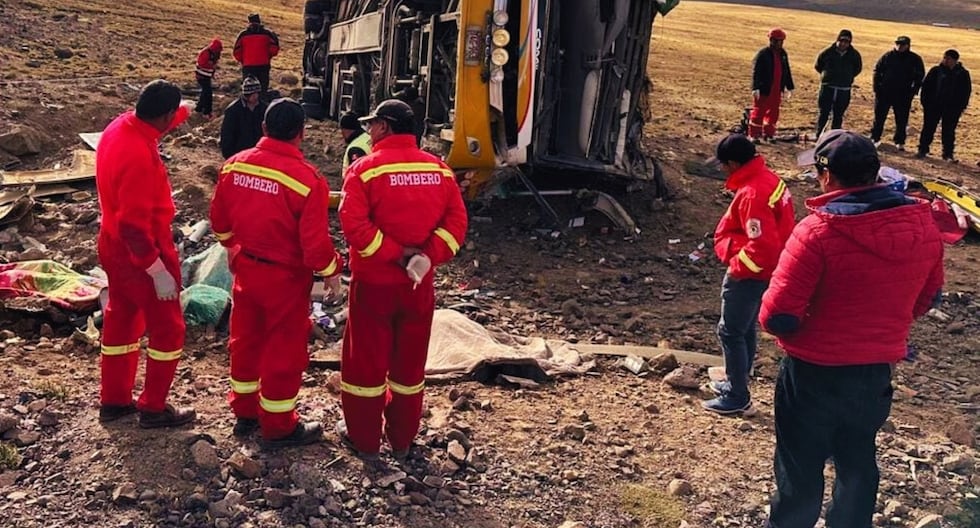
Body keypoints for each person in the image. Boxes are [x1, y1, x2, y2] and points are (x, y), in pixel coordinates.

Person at [762, 129, 944, 528]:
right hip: (874, 372)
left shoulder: (817, 231)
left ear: (827, 177)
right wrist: (882, 328)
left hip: (813, 371)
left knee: (799, 467)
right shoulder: (923, 225)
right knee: (858, 458)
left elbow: (777, 315)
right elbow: (928, 299)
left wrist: (802, 336)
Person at [336, 99, 468, 460]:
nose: (370, 131)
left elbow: (355, 227)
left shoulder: (364, 170)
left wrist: (396, 253)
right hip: (418, 286)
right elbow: (456, 225)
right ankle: (402, 440)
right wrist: (426, 256)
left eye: (373, 125)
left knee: (365, 365)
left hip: (374, 286)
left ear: (385, 127)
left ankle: (364, 440)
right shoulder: (440, 171)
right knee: (409, 367)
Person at [210, 98, 344, 448]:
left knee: (245, 341)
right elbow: (314, 245)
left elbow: (220, 223)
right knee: (283, 350)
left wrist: (232, 248)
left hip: (247, 269)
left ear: (264, 128)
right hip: (285, 278)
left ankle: (245, 412)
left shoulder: (234, 166)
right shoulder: (307, 181)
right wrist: (333, 273)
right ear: (301, 133)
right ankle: (279, 426)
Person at [95, 80, 196, 428]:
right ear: (164, 115)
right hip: (141, 251)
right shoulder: (138, 156)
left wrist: (185, 112)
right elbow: (134, 227)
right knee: (168, 328)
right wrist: (157, 270)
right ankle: (153, 407)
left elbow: (154, 124)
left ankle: (114, 400)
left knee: (121, 319)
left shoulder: (118, 128)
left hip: (111, 245)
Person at [704, 133, 795, 415]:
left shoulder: (752, 194)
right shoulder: (769, 180)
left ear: (733, 163)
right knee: (744, 330)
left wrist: (737, 268)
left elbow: (761, 247)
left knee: (730, 332)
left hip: (750, 276)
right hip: (769, 272)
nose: (721, 170)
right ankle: (738, 379)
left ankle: (737, 396)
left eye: (722, 164)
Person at [869, 36, 924, 151]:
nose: (900, 46)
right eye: (898, 44)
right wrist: (877, 88)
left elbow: (919, 76)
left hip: (903, 95)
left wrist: (913, 92)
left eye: (903, 44)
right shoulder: (888, 56)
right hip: (885, 93)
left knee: (901, 119)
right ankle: (875, 138)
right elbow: (877, 70)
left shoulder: (914, 59)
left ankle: (899, 142)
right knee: (879, 117)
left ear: (908, 45)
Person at [916, 49, 972, 163]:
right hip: (934, 106)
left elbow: (966, 92)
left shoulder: (962, 74)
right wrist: (926, 103)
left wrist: (960, 107)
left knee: (949, 131)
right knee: (928, 128)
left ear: (955, 60)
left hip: (952, 109)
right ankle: (922, 149)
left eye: (948, 58)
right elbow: (926, 87)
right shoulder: (936, 71)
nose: (945, 60)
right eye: (944, 57)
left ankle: (947, 154)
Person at [749, 28, 794, 143]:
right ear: (771, 40)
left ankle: (769, 133)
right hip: (764, 89)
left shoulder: (783, 54)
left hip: (777, 89)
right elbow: (756, 71)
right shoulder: (763, 54)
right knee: (759, 111)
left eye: (780, 41)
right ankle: (754, 134)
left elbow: (786, 70)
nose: (778, 43)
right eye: (776, 41)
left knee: (773, 112)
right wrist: (755, 88)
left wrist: (789, 86)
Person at [814, 29, 862, 136]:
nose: (843, 44)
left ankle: (834, 137)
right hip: (827, 87)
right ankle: (819, 135)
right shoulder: (827, 52)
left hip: (843, 89)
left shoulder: (854, 55)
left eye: (847, 42)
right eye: (842, 41)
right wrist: (827, 76)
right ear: (837, 40)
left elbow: (857, 69)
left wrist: (847, 77)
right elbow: (818, 65)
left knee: (838, 115)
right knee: (823, 113)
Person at [220, 76, 267, 159]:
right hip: (239, 155)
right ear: (246, 94)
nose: (255, 96)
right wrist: (229, 156)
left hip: (260, 155)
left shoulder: (264, 109)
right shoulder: (233, 111)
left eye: (257, 93)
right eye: (252, 94)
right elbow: (227, 136)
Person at [233, 13, 280, 94]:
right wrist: (267, 56)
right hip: (263, 65)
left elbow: (236, 51)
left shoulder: (243, 34)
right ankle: (262, 105)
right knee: (262, 90)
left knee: (249, 91)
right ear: (259, 21)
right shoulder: (267, 34)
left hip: (248, 66)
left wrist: (243, 60)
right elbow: (274, 49)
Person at [194, 38, 223, 119]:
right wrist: (210, 65)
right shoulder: (205, 53)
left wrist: (213, 73)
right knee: (208, 93)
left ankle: (199, 108)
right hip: (201, 76)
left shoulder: (216, 54)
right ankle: (207, 112)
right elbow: (201, 63)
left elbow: (214, 64)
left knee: (205, 92)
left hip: (207, 76)